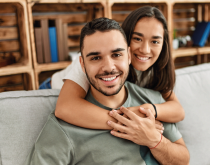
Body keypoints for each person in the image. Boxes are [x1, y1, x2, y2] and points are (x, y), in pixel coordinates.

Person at [24, 17, 189, 165]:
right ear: (82, 64)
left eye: (117, 54)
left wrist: (154, 139)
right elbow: (64, 106)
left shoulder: (151, 97)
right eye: (95, 58)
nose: (109, 67)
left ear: (129, 56)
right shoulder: (63, 125)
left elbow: (183, 158)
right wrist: (125, 122)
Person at [53, 6, 185, 130]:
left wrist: (149, 109)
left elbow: (178, 110)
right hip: (53, 89)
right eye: (137, 39)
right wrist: (131, 122)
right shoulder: (92, 62)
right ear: (124, 39)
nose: (145, 50)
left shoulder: (154, 69)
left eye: (155, 41)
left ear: (163, 45)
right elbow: (65, 107)